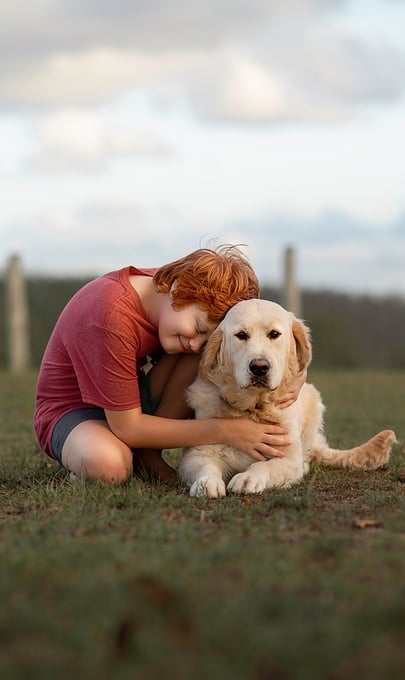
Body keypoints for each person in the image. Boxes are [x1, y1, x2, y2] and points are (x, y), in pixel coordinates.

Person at [34, 244, 305, 484]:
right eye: (199, 327)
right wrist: (228, 431)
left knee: (206, 353)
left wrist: (298, 375)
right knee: (108, 467)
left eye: (206, 336)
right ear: (179, 291)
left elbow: (259, 334)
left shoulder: (180, 292)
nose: (198, 344)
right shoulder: (110, 315)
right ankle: (98, 457)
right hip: (76, 411)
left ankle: (145, 454)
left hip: (133, 398)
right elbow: (127, 427)